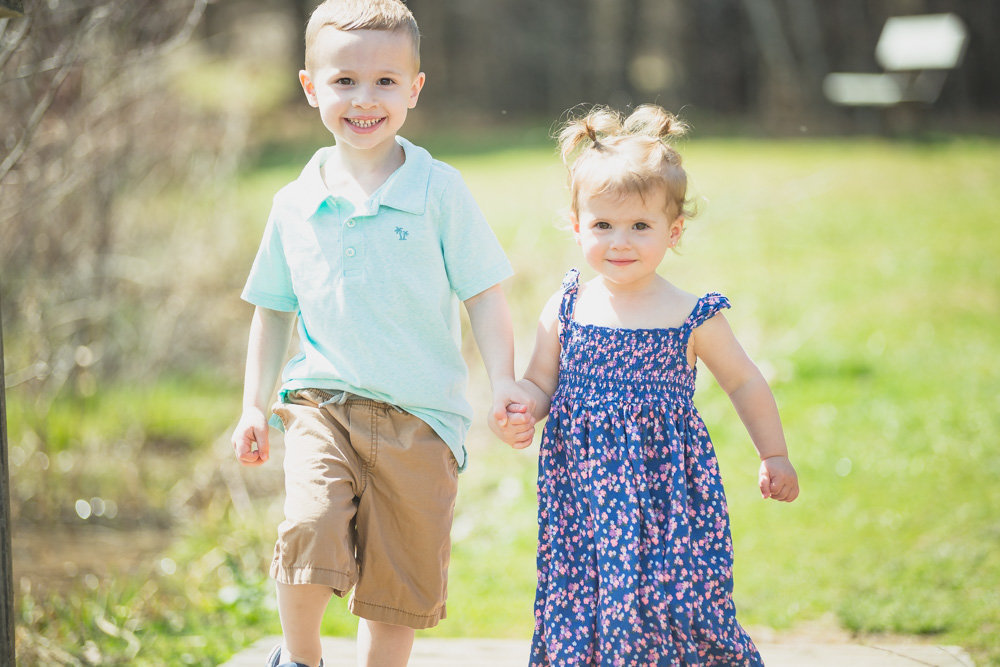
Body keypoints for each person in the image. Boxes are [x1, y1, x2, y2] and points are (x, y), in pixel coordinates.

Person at [230, 2, 530, 666]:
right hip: (323, 405)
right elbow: (272, 308)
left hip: (423, 418)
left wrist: (504, 378)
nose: (365, 99)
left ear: (415, 89)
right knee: (308, 529)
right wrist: (254, 403)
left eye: (386, 81)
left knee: (397, 583)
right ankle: (299, 657)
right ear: (310, 87)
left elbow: (483, 292)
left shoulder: (438, 191)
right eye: (344, 81)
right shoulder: (295, 203)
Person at [493, 104, 799, 666]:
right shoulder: (566, 307)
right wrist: (522, 408)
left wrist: (773, 452)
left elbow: (744, 382)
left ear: (673, 230)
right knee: (586, 598)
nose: (620, 241)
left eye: (640, 225)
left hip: (666, 498)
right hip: (582, 496)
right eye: (603, 225)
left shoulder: (690, 315)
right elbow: (542, 382)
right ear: (576, 224)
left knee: (669, 601)